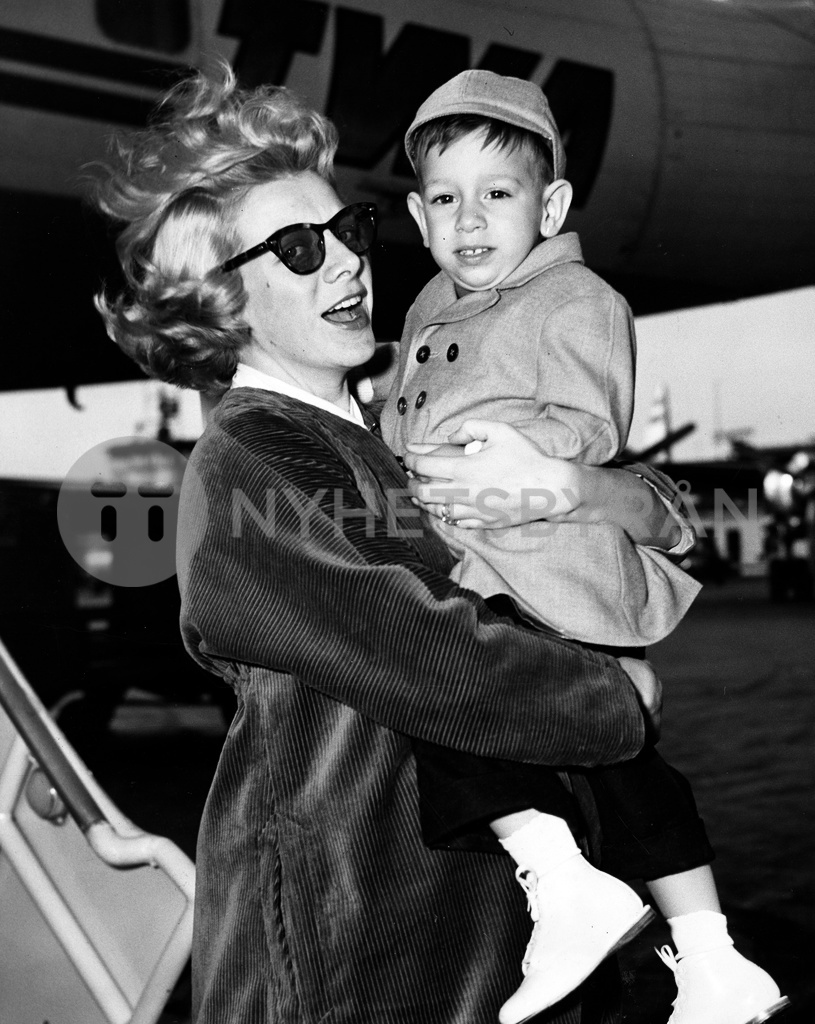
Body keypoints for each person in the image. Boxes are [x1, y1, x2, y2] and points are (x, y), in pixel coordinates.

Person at [90, 65, 676, 1024]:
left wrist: (583, 486)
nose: (347, 262)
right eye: (294, 248)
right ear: (220, 300)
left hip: (484, 932)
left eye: (347, 231)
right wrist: (617, 698)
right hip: (349, 948)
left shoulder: (392, 428)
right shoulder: (250, 458)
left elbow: (647, 518)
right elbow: (429, 649)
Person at [381, 71, 788, 1024]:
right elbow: (403, 417)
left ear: (551, 204)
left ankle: (561, 876)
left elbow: (589, 422)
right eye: (445, 199)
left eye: (498, 193)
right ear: (416, 212)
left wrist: (521, 462)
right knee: (620, 766)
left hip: (543, 564)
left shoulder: (572, 296)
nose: (469, 219)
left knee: (446, 695)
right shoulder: (425, 309)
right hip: (485, 562)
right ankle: (711, 957)